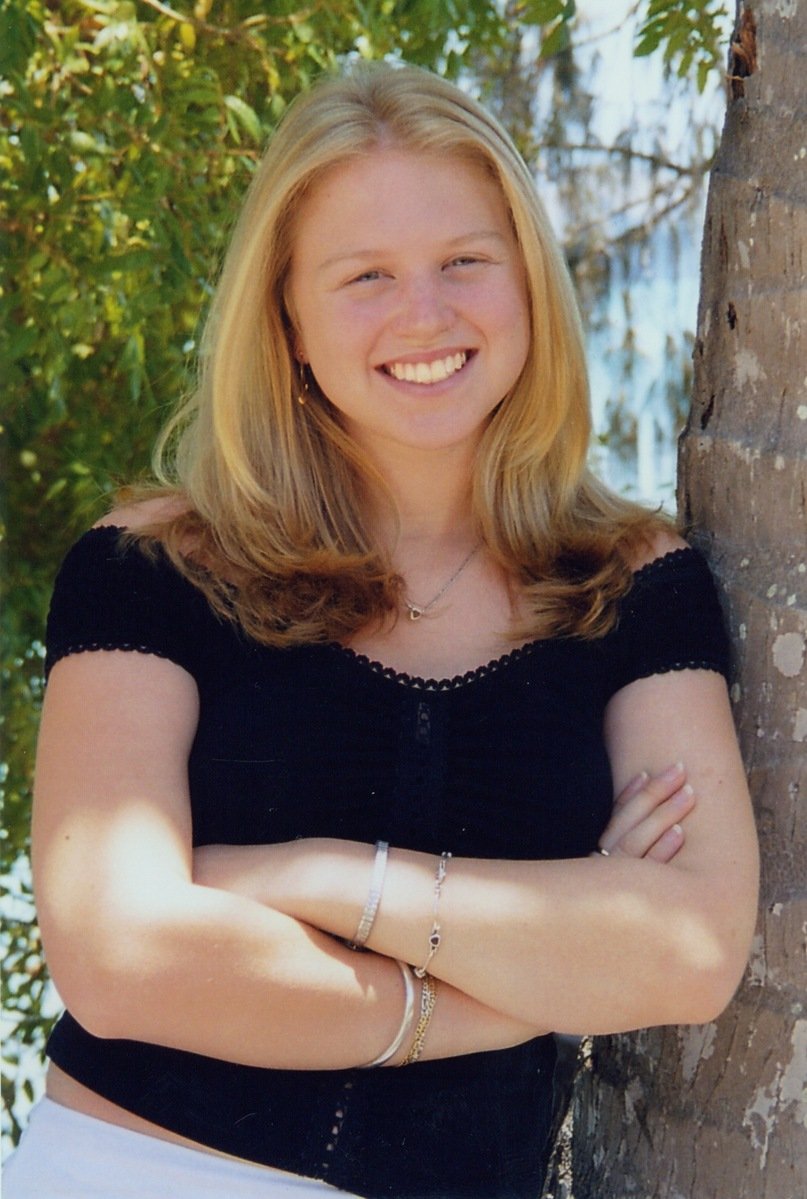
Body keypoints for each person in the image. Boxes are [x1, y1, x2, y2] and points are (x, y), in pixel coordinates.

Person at [7, 64, 758, 1199]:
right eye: (366, 276)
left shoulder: (631, 580)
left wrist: (313, 875)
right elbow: (122, 959)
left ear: (528, 283)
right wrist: (514, 983)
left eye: (466, 259)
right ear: (289, 321)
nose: (427, 313)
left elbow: (690, 951)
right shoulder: (155, 566)